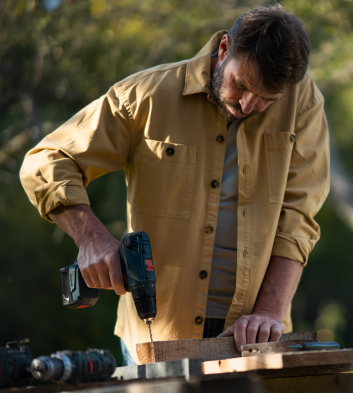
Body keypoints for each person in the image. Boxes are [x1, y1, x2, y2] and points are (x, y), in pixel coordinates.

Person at [20, 4, 330, 365]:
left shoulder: (303, 102)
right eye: (242, 85)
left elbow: (298, 217)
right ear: (224, 48)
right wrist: (89, 237)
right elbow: (46, 161)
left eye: (267, 100)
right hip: (157, 341)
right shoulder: (144, 96)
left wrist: (269, 312)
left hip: (256, 340)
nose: (249, 105)